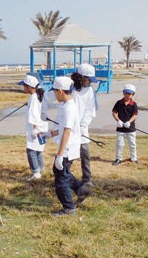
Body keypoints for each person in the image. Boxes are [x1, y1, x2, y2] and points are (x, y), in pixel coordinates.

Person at [43, 76, 82, 216]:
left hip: (67, 149)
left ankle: (69, 208)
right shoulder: (65, 105)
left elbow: (66, 131)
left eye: (54, 91)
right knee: (59, 172)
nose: (53, 94)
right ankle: (80, 188)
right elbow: (62, 127)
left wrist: (59, 155)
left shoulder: (69, 108)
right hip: (66, 147)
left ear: (60, 91)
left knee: (61, 181)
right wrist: (50, 134)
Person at [70, 64, 98, 204]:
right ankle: (65, 179)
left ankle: (87, 180)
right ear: (81, 78)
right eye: (88, 79)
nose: (90, 82)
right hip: (69, 128)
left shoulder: (90, 91)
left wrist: (83, 124)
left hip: (82, 129)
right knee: (67, 156)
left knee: (85, 155)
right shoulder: (70, 88)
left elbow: (90, 110)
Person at [18, 75, 48, 181]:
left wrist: (35, 129)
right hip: (42, 127)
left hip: (37, 127)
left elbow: (35, 114)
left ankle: (36, 173)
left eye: (24, 86)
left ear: (30, 87)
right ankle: (41, 169)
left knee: (31, 150)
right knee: (38, 149)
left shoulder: (34, 98)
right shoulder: (37, 96)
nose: (23, 88)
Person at [112, 84, 138, 166]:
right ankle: (118, 159)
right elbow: (114, 112)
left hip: (130, 128)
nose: (127, 95)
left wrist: (129, 122)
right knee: (120, 144)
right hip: (120, 128)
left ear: (132, 95)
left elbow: (135, 114)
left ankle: (134, 159)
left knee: (132, 144)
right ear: (123, 93)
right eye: (126, 93)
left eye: (129, 94)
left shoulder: (134, 104)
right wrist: (118, 120)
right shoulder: (119, 103)